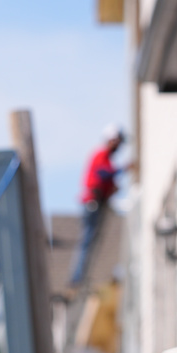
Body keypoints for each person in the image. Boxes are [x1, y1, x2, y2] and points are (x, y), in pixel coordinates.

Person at [68, 124, 130, 290]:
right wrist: (123, 169)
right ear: (111, 140)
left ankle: (80, 276)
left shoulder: (107, 159)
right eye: (117, 141)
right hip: (92, 203)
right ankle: (77, 278)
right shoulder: (101, 155)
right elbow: (102, 174)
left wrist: (114, 187)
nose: (118, 146)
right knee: (87, 241)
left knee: (92, 241)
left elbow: (107, 179)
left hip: (98, 203)